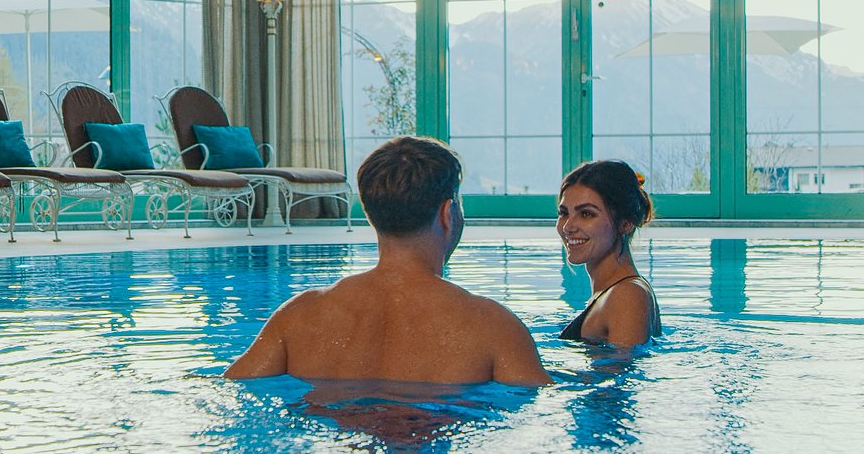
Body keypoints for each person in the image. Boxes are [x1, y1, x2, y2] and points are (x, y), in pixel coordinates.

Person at [225, 136, 551, 387]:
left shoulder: (299, 316)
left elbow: (232, 387)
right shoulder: (492, 326)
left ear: (371, 214)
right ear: (447, 213)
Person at [556, 160, 663, 348]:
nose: (567, 227)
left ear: (625, 223)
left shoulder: (627, 296)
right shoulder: (615, 292)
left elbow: (621, 373)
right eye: (564, 213)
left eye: (586, 214)